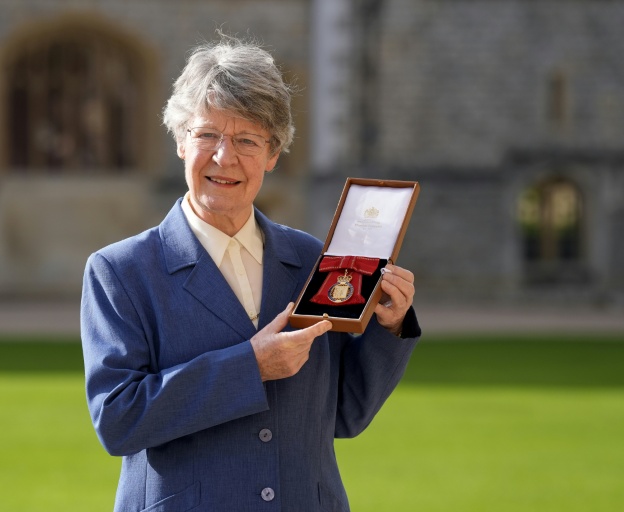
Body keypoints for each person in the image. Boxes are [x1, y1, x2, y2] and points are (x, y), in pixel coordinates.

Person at [80, 33, 421, 512]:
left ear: (273, 154)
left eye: (246, 140)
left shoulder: (314, 262)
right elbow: (117, 421)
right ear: (181, 141)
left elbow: (344, 415)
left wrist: (390, 327)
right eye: (207, 135)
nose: (225, 158)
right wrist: (250, 366)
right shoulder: (120, 271)